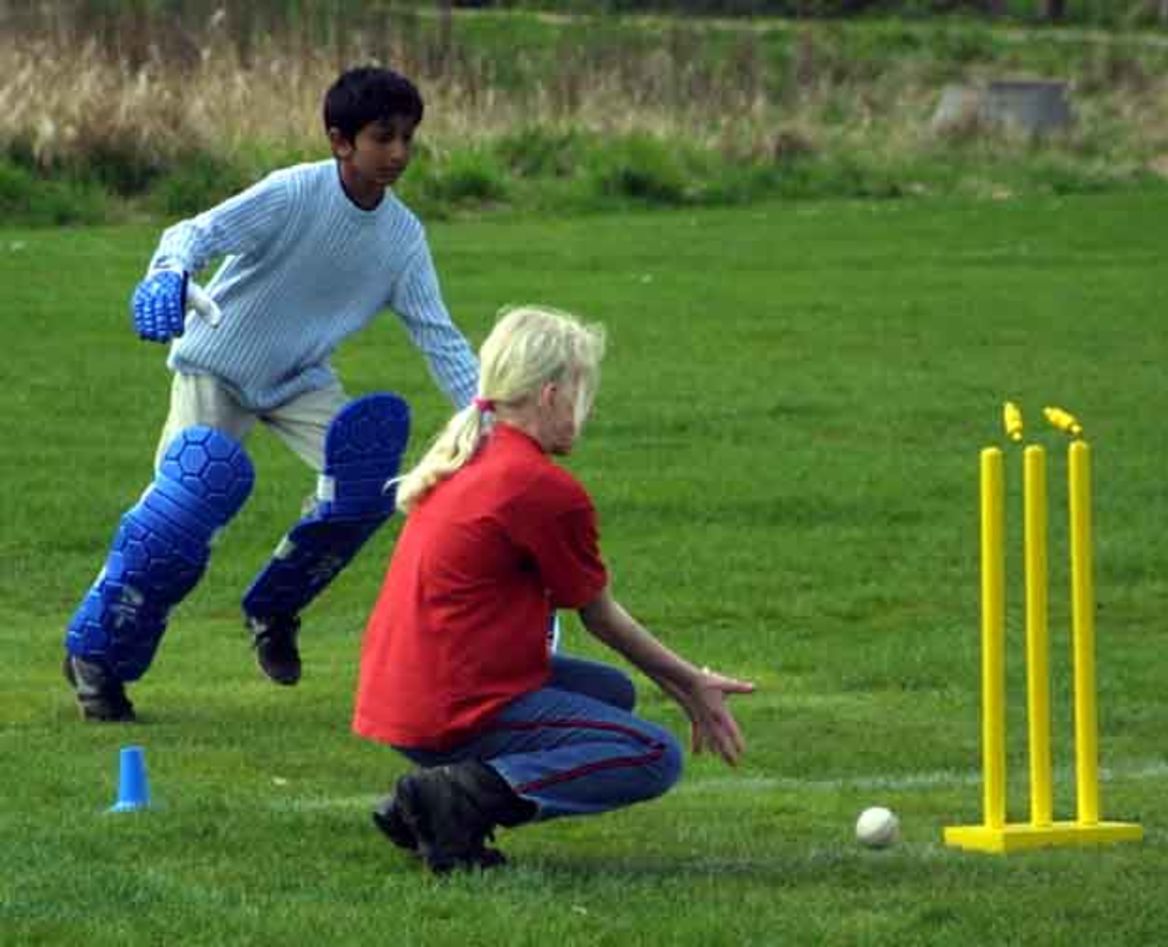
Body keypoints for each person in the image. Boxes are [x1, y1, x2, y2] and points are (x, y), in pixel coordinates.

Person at [62, 66, 479, 722]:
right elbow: (192, 233)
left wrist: (488, 415)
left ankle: (276, 604)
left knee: (366, 484)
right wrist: (168, 271)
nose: (398, 153)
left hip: (298, 377)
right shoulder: (293, 193)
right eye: (382, 137)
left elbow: (440, 337)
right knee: (176, 519)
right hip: (217, 364)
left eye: (408, 138)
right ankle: (98, 656)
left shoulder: (403, 239)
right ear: (341, 141)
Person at [354, 305, 755, 874]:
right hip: (450, 709)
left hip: (404, 694)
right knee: (652, 754)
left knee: (609, 692)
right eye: (581, 393)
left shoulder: (472, 456)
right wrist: (691, 681)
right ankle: (453, 802)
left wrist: (683, 683)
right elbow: (601, 617)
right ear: (549, 395)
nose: (584, 411)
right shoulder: (538, 487)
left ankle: (420, 805)